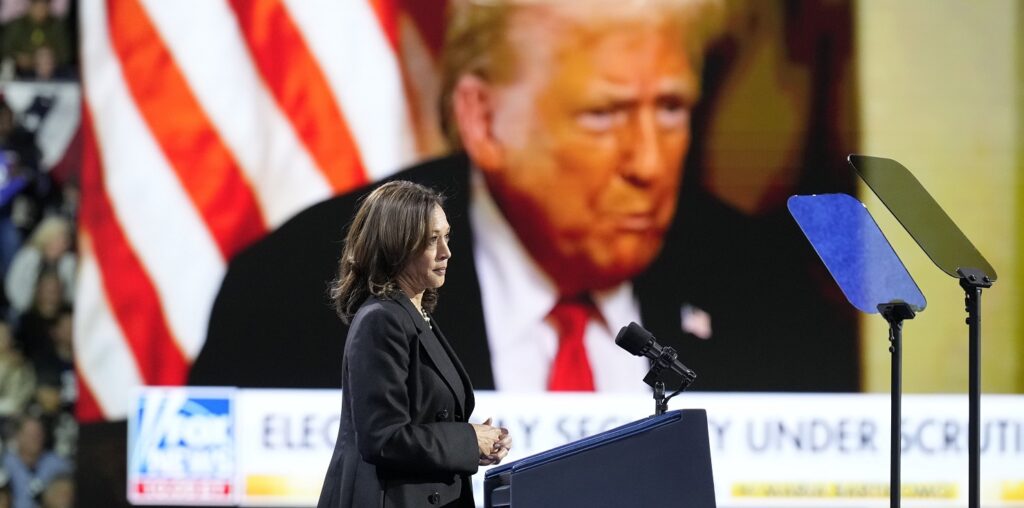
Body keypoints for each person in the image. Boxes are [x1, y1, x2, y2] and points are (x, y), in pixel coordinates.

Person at [195, 0, 858, 393]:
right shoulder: (308, 297)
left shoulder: (771, 294)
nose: (650, 164)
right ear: (484, 121)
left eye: (672, 108)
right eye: (605, 115)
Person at [316, 181, 510, 508]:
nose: (446, 252)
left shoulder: (415, 316)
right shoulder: (381, 320)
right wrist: (467, 440)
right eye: (432, 240)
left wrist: (476, 443)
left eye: (446, 237)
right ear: (398, 246)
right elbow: (383, 437)